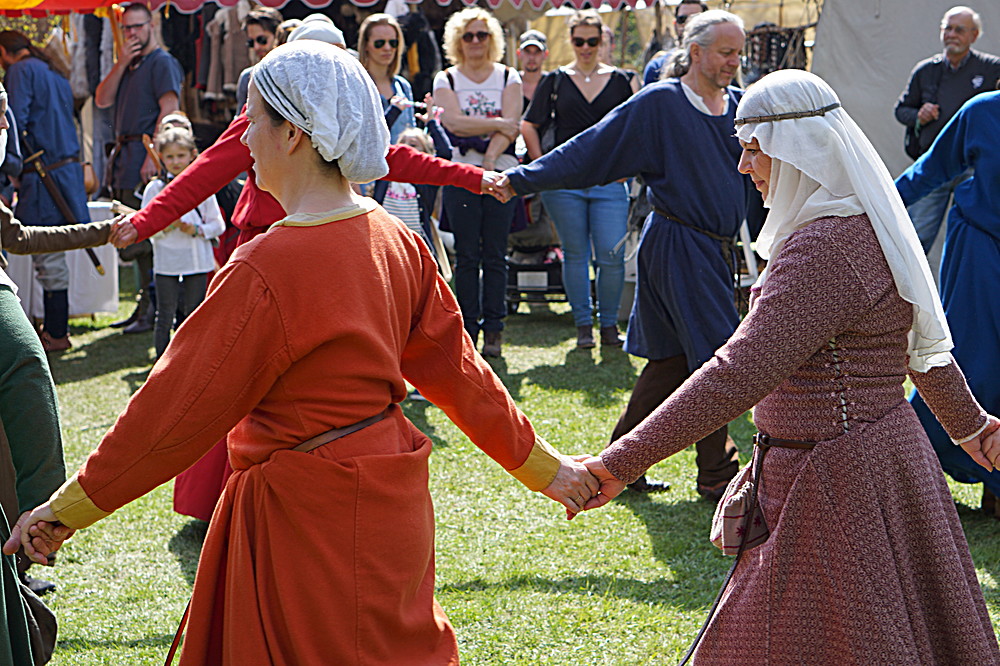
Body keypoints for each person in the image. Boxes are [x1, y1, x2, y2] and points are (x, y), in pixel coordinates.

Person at [7, 41, 598, 664]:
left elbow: (170, 413)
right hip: (392, 502)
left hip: (307, 521)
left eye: (253, 121)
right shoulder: (395, 238)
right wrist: (548, 470)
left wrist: (68, 507)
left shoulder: (265, 265)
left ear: (292, 133)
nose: (244, 140)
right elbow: (465, 378)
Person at [578, 68, 1000, 663]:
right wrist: (971, 427)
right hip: (871, 462)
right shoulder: (856, 226)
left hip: (837, 479)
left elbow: (739, 371)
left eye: (755, 149)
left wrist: (620, 461)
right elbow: (918, 353)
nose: (745, 167)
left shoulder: (827, 246)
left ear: (800, 148)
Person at [107, 24, 513, 526]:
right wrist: (146, 221)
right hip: (266, 249)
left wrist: (475, 177)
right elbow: (205, 172)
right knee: (239, 386)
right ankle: (222, 493)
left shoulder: (388, 232)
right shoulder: (271, 120)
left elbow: (396, 160)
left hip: (323, 252)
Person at [500, 10, 748, 497]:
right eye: (726, 52)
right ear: (695, 52)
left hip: (712, 249)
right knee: (716, 360)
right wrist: (519, 179)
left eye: (739, 53)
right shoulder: (661, 104)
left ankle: (618, 464)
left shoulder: (738, 106)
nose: (734, 62)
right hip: (678, 244)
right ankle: (717, 473)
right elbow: (590, 148)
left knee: (673, 360)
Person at [896, 88, 1000, 517]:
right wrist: (868, 206)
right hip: (978, 246)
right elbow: (929, 170)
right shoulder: (983, 111)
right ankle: (915, 469)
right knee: (973, 354)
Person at [521, 10, 638, 349]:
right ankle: (584, 327)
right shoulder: (555, 79)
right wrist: (542, 165)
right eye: (579, 41)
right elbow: (530, 125)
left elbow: (638, 127)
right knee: (575, 254)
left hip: (609, 181)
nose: (586, 47)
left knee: (610, 255)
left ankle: (608, 326)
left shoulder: (623, 79)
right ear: (570, 41)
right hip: (565, 183)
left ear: (603, 40)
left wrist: (628, 167)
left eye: (593, 40)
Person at [434, 7, 522, 357]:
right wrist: (497, 123)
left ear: (492, 40)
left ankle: (495, 331)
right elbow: (452, 123)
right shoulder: (447, 79)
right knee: (467, 255)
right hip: (460, 176)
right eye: (467, 36)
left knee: (496, 254)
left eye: (481, 35)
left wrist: (487, 159)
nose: (474, 42)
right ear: (457, 40)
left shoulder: (508, 75)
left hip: (500, 172)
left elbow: (513, 125)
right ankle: (468, 329)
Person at [0, 30, 93, 353]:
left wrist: (9, 169)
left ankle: (56, 332)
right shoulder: (53, 72)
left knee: (48, 254)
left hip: (44, 176)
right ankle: (55, 329)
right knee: (51, 252)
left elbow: (14, 122)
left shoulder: (21, 71)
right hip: (60, 172)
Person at [95, 2, 183, 334]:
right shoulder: (129, 65)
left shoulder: (161, 62)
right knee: (133, 235)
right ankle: (144, 307)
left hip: (144, 158)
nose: (132, 34)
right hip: (124, 156)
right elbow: (102, 99)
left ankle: (155, 312)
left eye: (138, 27)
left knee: (146, 238)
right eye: (127, 28)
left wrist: (153, 154)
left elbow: (170, 110)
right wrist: (120, 63)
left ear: (151, 26)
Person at [894, 6, 1000, 253]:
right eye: (947, 28)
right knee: (918, 236)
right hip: (936, 162)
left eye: (959, 30)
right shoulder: (925, 70)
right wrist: (918, 116)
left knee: (972, 238)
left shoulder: (991, 68)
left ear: (974, 35)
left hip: (975, 171)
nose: (952, 34)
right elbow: (901, 110)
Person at [141, 127, 225, 360]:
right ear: (161, 158)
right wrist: (165, 226)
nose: (175, 161)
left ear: (192, 154)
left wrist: (195, 229)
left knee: (194, 312)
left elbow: (218, 225)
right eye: (169, 156)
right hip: (166, 261)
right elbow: (146, 227)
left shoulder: (201, 186)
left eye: (180, 155)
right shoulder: (155, 189)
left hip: (197, 259)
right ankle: (161, 363)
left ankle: (191, 360)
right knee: (165, 314)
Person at [358, 13, 414, 143]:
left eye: (393, 43)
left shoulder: (402, 85)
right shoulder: (358, 84)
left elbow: (411, 130)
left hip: (403, 161)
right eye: (379, 43)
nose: (387, 48)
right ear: (366, 45)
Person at [643, 0, 707, 85]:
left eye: (695, 18)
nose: (688, 23)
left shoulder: (719, 64)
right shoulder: (657, 67)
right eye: (682, 19)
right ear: (675, 24)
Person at [234, 7, 282, 114]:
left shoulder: (292, 75)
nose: (256, 47)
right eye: (251, 42)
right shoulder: (247, 77)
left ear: (277, 36)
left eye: (262, 40)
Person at [517, 29, 549, 110]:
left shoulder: (553, 83)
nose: (532, 57)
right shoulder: (510, 81)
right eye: (527, 52)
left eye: (537, 52)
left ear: (545, 54)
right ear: (519, 53)